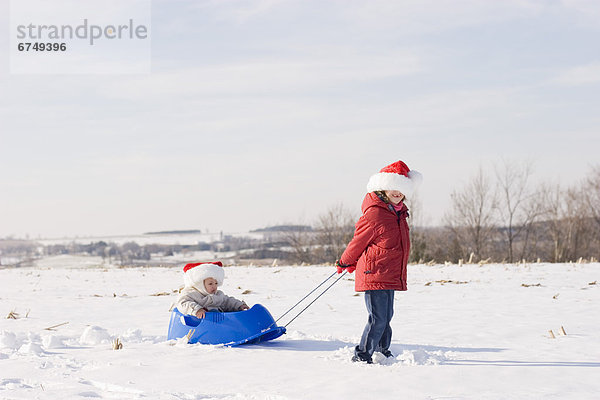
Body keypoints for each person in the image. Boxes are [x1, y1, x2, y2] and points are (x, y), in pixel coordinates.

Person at [336, 160, 422, 363]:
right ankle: (362, 354)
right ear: (383, 187)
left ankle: (383, 349)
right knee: (378, 318)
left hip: (389, 272)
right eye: (394, 189)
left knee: (387, 316)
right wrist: (345, 261)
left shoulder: (399, 213)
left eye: (402, 190)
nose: (398, 193)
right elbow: (358, 241)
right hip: (374, 272)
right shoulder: (375, 213)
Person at [176, 261, 249, 318]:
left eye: (216, 283)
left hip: (218, 322)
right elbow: (182, 303)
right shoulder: (191, 294)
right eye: (210, 284)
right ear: (199, 284)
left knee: (227, 311)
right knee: (214, 312)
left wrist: (239, 305)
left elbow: (227, 301)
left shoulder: (217, 295)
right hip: (200, 322)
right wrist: (197, 310)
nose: (214, 287)